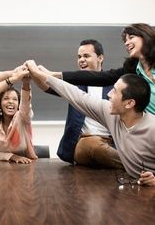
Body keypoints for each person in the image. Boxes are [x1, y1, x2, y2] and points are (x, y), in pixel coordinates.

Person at [27, 60, 155, 186]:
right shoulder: (111, 114)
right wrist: (40, 75)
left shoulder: (152, 128)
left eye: (115, 91)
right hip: (135, 188)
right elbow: (78, 96)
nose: (109, 94)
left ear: (129, 103)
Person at [40, 23, 155, 115]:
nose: (126, 43)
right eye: (125, 40)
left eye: (131, 38)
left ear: (145, 36)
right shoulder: (131, 69)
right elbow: (99, 77)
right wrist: (56, 75)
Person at [43, 39, 122, 168]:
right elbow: (47, 86)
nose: (81, 60)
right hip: (84, 141)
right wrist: (37, 73)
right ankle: (133, 165)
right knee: (94, 145)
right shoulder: (74, 83)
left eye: (86, 56)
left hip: (113, 143)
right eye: (79, 57)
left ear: (100, 58)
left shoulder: (115, 85)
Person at [0, 75, 38, 164]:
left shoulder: (22, 117)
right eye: (6, 98)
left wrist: (26, 84)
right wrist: (12, 157)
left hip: (26, 165)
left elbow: (25, 106)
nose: (10, 101)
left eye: (15, 99)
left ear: (19, 104)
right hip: (1, 169)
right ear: (0, 103)